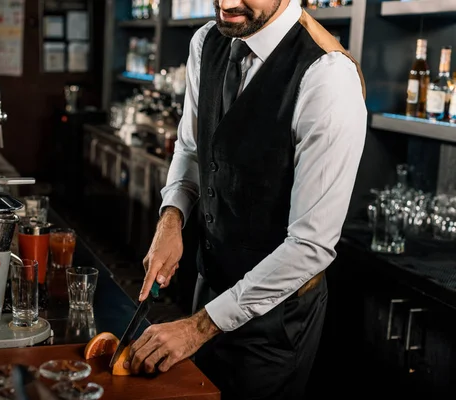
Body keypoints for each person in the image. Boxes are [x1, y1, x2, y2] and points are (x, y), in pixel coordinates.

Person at [125, 0, 367, 398]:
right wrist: (172, 218)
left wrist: (197, 327)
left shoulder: (327, 76)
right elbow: (190, 147)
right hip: (210, 286)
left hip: (276, 322)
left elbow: (310, 245)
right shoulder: (207, 41)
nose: (227, 2)